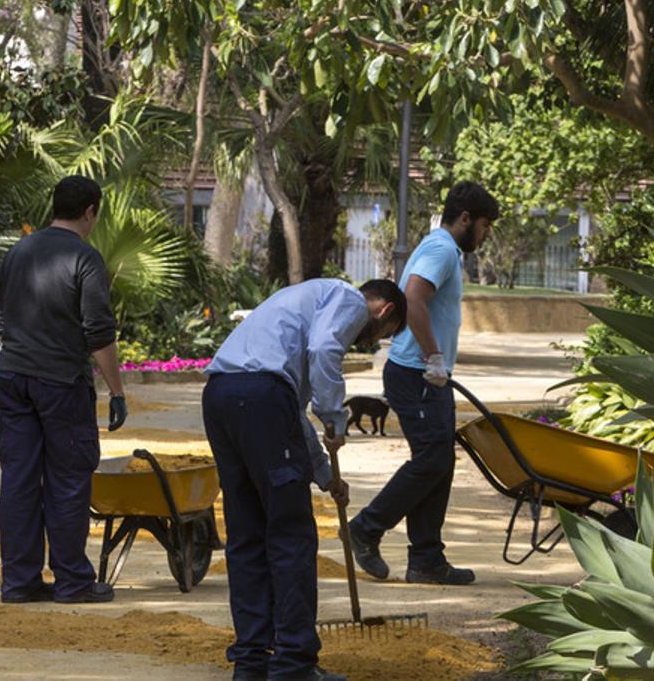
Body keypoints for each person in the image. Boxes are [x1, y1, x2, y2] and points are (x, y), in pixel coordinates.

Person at [203, 278, 407, 681]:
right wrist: (335, 417)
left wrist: (325, 475)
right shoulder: (348, 299)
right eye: (384, 334)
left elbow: (292, 413)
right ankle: (294, 662)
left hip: (221, 395)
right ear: (384, 311)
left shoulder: (301, 310)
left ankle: (252, 662)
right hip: (261, 398)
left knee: (247, 535)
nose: (371, 340)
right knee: (291, 534)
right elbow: (324, 351)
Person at [348, 181, 500, 586]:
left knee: (440, 462)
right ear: (465, 219)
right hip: (416, 373)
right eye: (484, 226)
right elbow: (413, 297)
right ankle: (366, 527)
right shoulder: (440, 250)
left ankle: (427, 560)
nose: (485, 236)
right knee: (432, 460)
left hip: (427, 376)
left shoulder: (443, 249)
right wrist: (433, 355)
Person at [0, 175, 129, 605]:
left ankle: (19, 581)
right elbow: (99, 332)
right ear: (90, 211)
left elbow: (2, 315)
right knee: (68, 480)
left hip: (12, 379)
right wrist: (117, 392)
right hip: (61, 384)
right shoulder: (84, 258)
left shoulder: (18, 251)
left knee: (18, 480)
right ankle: (72, 582)